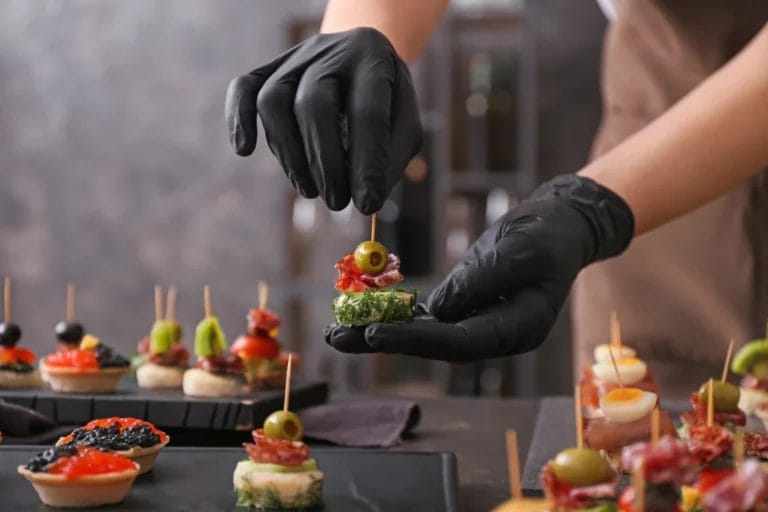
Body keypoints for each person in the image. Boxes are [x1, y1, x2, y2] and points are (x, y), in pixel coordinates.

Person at [225, 0, 768, 397]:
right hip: (653, 162)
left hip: (634, 185)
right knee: (647, 439)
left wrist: (595, 208)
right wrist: (364, 31)